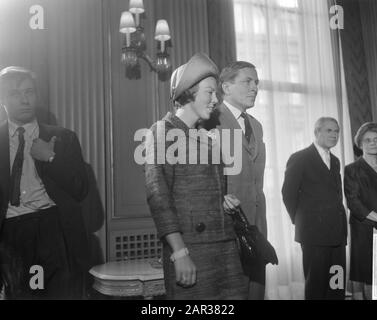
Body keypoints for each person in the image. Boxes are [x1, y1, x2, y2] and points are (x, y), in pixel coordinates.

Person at [145, 53, 248, 300]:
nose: (215, 100)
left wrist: (223, 200)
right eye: (209, 93)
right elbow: (158, 197)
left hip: (225, 247)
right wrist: (180, 253)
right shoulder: (162, 131)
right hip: (191, 250)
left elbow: (209, 191)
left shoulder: (207, 136)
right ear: (189, 92)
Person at [0, 66, 90, 299]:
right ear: (2, 99)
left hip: (54, 230)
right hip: (11, 233)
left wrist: (50, 158)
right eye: (14, 93)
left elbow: (80, 189)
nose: (24, 99)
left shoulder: (63, 138)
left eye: (29, 92)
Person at [204, 61, 267, 300]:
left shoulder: (257, 126)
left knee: (255, 292)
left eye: (256, 83)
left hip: (256, 226)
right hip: (226, 224)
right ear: (226, 87)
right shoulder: (209, 120)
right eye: (247, 81)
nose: (254, 88)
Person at [282, 117, 347, 300]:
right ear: (317, 132)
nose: (334, 135)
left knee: (337, 283)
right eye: (329, 130)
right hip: (313, 234)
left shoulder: (335, 161)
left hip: (337, 233)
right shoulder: (299, 158)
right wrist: (303, 221)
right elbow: (288, 194)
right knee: (317, 285)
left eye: (336, 131)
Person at [344, 122, 377, 300]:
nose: (373, 143)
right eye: (368, 140)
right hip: (364, 228)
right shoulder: (352, 170)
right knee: (368, 276)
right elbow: (354, 203)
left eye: (376, 139)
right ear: (360, 143)